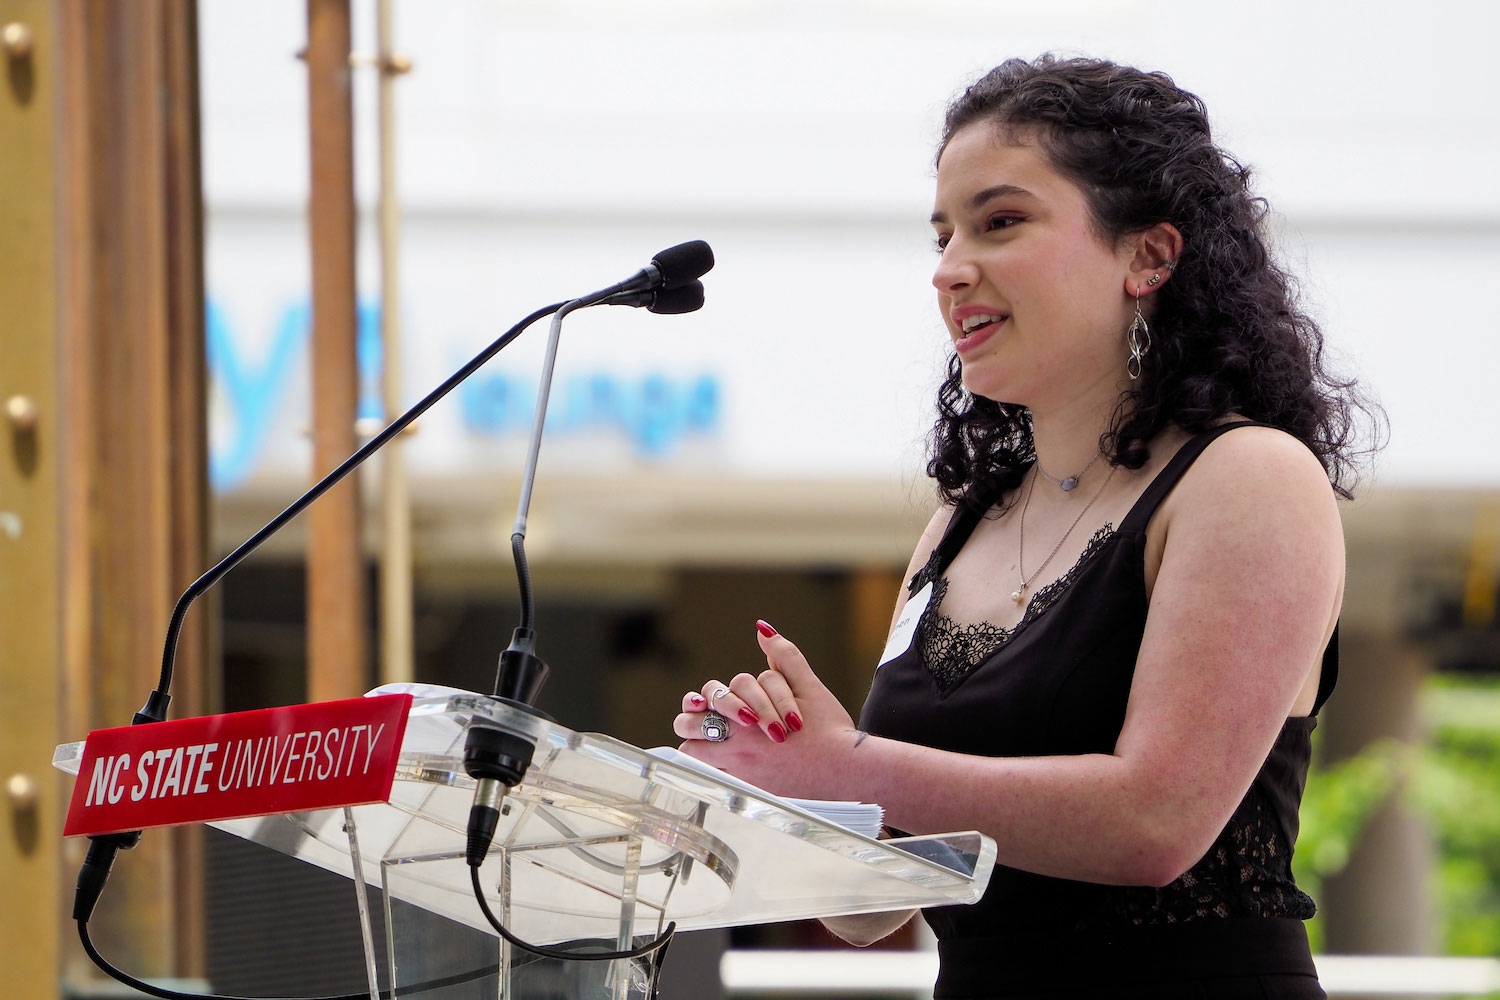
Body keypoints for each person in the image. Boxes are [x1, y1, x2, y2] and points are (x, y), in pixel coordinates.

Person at [673, 55, 1377, 999]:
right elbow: (869, 911)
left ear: (1150, 255)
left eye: (1000, 223)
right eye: (943, 235)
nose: (949, 270)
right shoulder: (961, 525)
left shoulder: (1246, 477)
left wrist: (855, 763)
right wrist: (785, 780)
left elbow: (1154, 826)